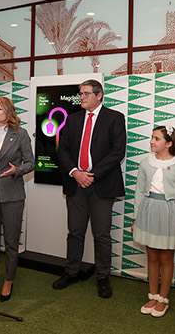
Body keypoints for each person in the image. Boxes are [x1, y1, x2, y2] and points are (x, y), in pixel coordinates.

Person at [53, 79, 126, 298]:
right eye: (80, 93)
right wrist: (76, 172)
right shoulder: (73, 119)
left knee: (102, 234)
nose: (81, 97)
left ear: (99, 95)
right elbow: (62, 150)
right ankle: (71, 271)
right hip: (76, 185)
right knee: (75, 232)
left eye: (85, 93)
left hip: (102, 185)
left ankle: (102, 277)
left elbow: (117, 151)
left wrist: (91, 175)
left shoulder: (114, 118)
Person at [132, 125, 175, 317]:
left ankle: (163, 298)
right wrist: (136, 218)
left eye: (156, 138)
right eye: (152, 137)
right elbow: (140, 192)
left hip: (170, 214)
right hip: (149, 211)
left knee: (166, 257)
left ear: (169, 143)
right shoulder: (145, 163)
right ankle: (153, 295)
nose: (152, 141)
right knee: (152, 255)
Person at [0, 97, 34, 302]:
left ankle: (9, 280)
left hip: (12, 193)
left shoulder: (20, 134)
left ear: (9, 112)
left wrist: (16, 170)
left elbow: (30, 163)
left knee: (11, 242)